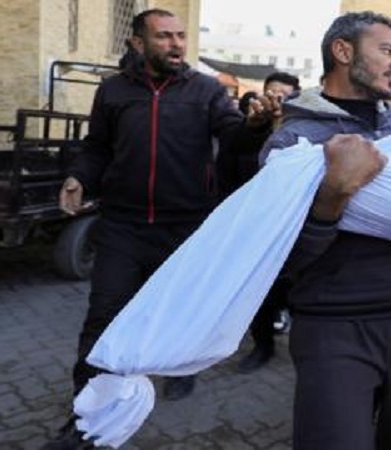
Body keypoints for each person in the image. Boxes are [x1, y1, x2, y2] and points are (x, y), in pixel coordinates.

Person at [42, 8, 278, 450]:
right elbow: (97, 147)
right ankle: (86, 414)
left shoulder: (206, 90)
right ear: (138, 43)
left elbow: (234, 138)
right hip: (123, 226)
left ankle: (179, 373)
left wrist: (255, 124)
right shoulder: (112, 91)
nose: (176, 44)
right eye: (164, 36)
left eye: (180, 36)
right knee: (103, 318)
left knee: (177, 316)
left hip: (184, 227)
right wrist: (78, 177)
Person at [258, 11, 391, 450]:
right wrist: (332, 197)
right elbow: (282, 259)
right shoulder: (293, 143)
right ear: (343, 51)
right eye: (387, 50)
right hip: (338, 326)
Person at [216, 71, 301, 374]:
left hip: (293, 230)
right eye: (272, 94)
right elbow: (225, 178)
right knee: (258, 292)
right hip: (253, 227)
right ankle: (262, 345)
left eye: (285, 96)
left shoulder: (305, 135)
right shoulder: (245, 135)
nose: (276, 101)